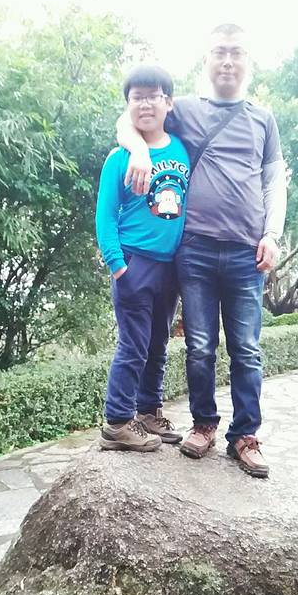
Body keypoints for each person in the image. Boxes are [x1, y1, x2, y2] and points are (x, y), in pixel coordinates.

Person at [117, 24, 287, 477]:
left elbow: (274, 181)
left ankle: (244, 436)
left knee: (246, 349)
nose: (228, 61)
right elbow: (132, 117)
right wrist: (138, 151)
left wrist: (272, 234)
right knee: (199, 347)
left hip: (246, 252)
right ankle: (204, 424)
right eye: (219, 52)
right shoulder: (186, 110)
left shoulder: (263, 119)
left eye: (236, 52)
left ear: (247, 61)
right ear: (207, 60)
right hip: (193, 249)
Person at [96, 65, 190, 451]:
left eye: (153, 96)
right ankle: (118, 421)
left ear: (169, 102)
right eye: (137, 97)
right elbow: (105, 217)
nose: (146, 104)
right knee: (133, 345)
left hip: (170, 267)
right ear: (128, 104)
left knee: (157, 344)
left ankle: (148, 411)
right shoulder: (118, 158)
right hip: (134, 262)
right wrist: (118, 266)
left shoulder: (183, 147)